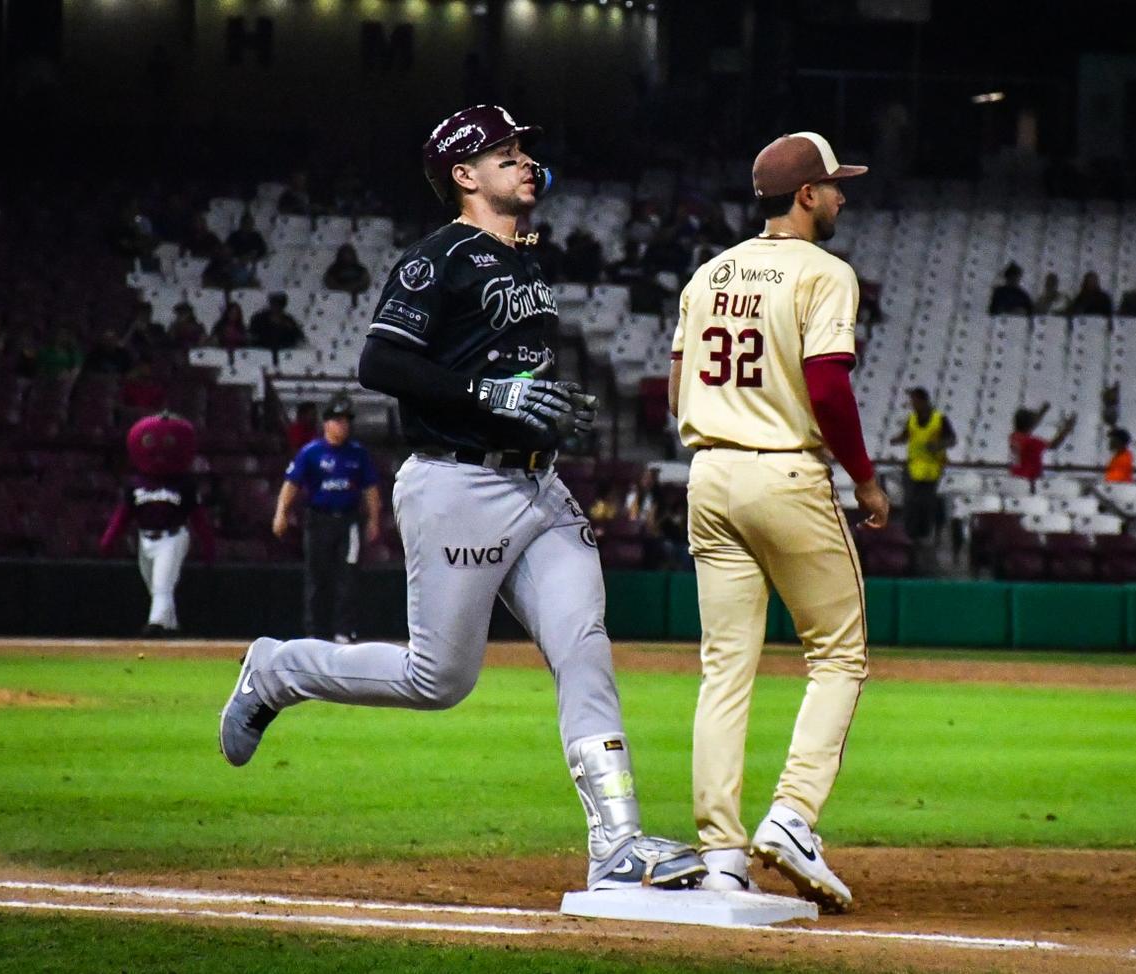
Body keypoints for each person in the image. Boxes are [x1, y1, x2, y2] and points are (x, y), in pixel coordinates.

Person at [219, 104, 706, 894]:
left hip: (536, 486)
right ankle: (279, 670)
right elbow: (381, 361)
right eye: (503, 153)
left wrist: (537, 401)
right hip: (457, 483)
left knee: (584, 646)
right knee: (438, 680)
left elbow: (505, 376)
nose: (522, 162)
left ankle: (617, 844)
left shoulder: (524, 260)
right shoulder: (437, 256)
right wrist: (488, 393)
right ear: (464, 175)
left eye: (522, 152)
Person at [670, 130, 889, 910]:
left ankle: (721, 854)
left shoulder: (709, 273)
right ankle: (794, 815)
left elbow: (674, 391)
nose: (840, 196)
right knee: (839, 656)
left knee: (723, 671)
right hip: (784, 471)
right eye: (833, 185)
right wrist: (864, 479)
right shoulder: (825, 273)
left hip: (708, 473)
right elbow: (829, 389)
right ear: (804, 195)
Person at [271, 395, 382, 642]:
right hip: (318, 520)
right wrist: (281, 513)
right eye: (338, 421)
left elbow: (370, 488)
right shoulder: (311, 452)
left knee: (348, 576)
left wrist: (374, 519)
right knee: (316, 576)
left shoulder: (358, 454)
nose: (343, 426)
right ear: (327, 424)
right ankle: (315, 631)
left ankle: (344, 630)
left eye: (347, 421)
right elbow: (292, 484)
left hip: (349, 519)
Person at [99, 413, 215, 636]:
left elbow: (198, 517)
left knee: (162, 584)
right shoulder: (135, 485)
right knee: (157, 586)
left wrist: (208, 545)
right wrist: (109, 540)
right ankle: (171, 626)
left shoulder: (185, 484)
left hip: (173, 537)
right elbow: (123, 515)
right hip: (145, 539)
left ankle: (155, 625)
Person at [889, 387, 956, 547]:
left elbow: (952, 439)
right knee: (910, 502)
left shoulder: (939, 419)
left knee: (926, 504)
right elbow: (906, 435)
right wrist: (897, 439)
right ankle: (909, 536)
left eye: (914, 400)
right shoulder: (912, 418)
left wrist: (939, 445)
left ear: (923, 400)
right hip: (913, 466)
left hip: (931, 468)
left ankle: (924, 536)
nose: (912, 403)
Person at [1009, 402, 1076, 483]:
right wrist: (1068, 428)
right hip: (1031, 480)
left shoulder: (1014, 437)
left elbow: (1029, 426)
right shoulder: (1032, 442)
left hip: (1016, 478)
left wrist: (1042, 411)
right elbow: (1054, 445)